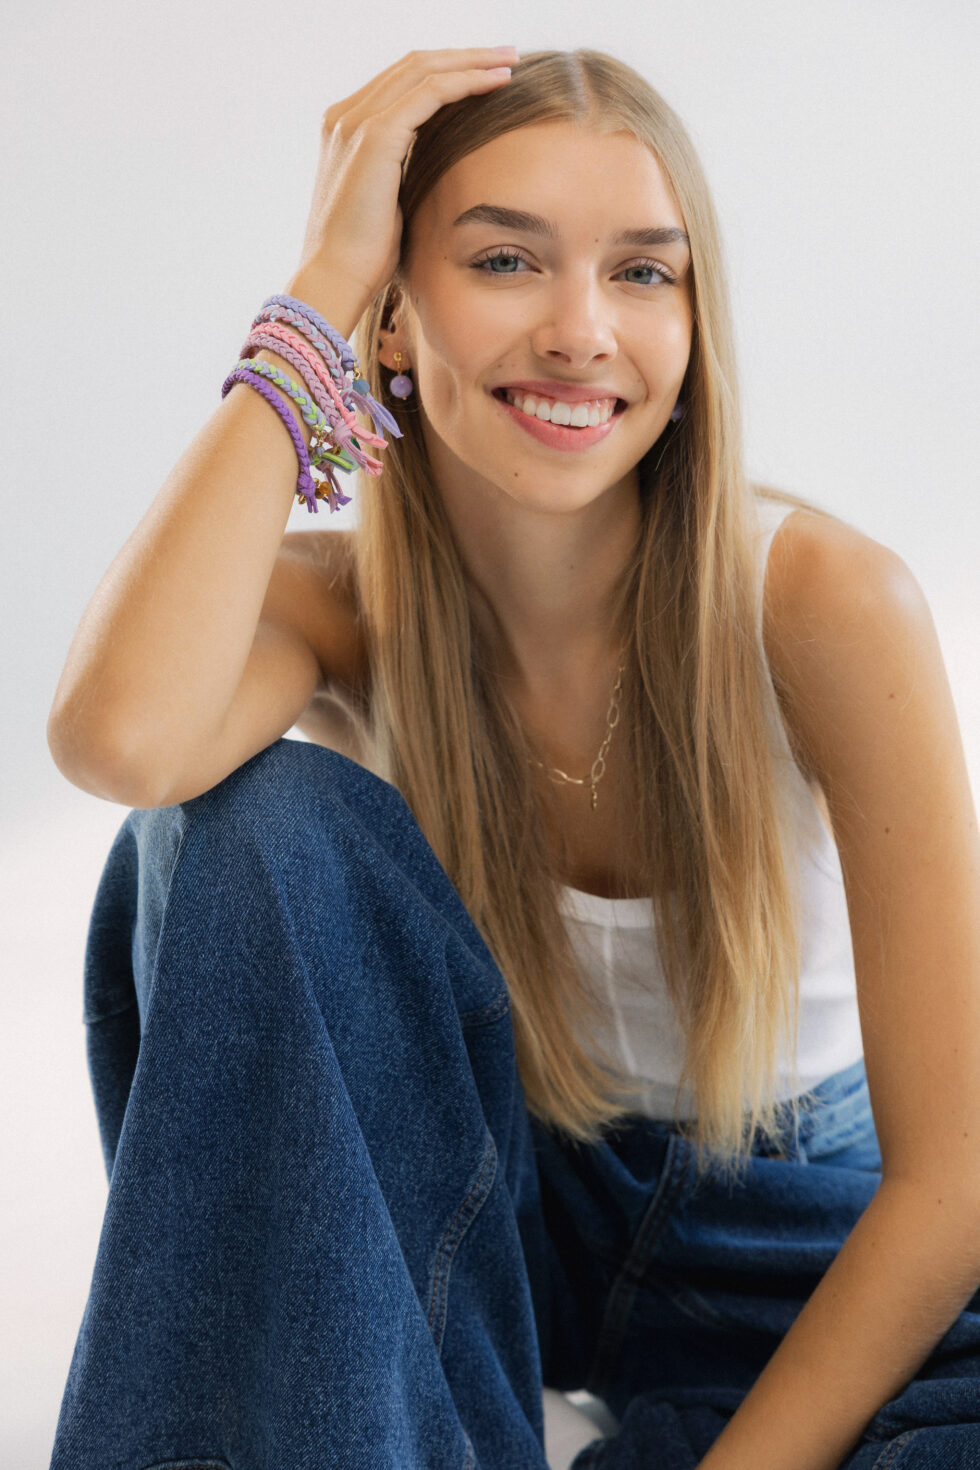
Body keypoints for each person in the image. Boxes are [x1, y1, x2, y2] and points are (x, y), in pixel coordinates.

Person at [45, 44, 980, 1470]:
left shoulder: (824, 604)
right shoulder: (337, 612)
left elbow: (953, 1183)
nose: (580, 330)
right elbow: (121, 737)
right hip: (500, 1225)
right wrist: (320, 289)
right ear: (398, 317)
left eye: (644, 273)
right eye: (503, 262)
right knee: (232, 818)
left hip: (799, 1254)